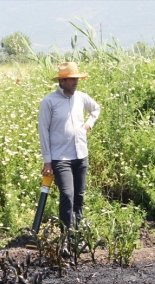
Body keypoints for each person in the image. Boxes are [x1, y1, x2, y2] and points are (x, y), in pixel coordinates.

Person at [38, 62, 100, 229]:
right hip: (60, 158)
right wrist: (47, 161)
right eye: (72, 79)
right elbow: (43, 131)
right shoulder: (49, 102)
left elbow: (96, 109)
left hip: (81, 155)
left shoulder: (81, 97)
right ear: (62, 81)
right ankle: (66, 236)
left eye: (77, 79)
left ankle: (77, 235)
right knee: (67, 194)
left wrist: (89, 124)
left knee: (79, 196)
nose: (75, 82)